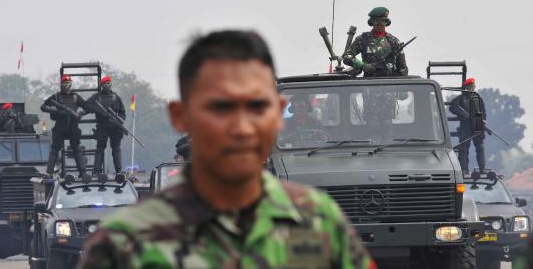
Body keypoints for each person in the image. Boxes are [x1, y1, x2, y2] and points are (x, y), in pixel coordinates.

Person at [79, 30, 375, 269]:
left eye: (257, 107)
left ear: (278, 112)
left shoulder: (320, 221)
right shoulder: (125, 244)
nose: (242, 127)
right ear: (180, 115)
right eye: (221, 108)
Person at [41, 75, 88, 177]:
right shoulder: (56, 97)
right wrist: (55, 110)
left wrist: (80, 114)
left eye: (68, 84)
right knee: (55, 148)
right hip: (60, 126)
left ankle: (83, 172)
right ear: (61, 84)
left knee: (76, 148)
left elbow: (87, 107)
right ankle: (49, 172)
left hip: (73, 126)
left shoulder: (76, 97)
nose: (67, 86)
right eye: (65, 84)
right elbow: (43, 107)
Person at [343, 7, 408, 77]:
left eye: (383, 21)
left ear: (386, 22)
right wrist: (363, 65)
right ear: (372, 22)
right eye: (376, 21)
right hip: (369, 84)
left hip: (390, 84)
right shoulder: (362, 39)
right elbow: (346, 57)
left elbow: (403, 69)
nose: (379, 23)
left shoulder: (394, 41)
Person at [86, 76, 126, 175]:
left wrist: (119, 120)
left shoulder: (116, 97)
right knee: (100, 147)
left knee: (116, 147)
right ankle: (96, 171)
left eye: (109, 84)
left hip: (115, 127)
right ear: (102, 86)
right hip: (102, 126)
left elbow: (122, 112)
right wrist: (96, 109)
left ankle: (119, 170)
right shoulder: (97, 97)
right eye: (105, 84)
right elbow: (87, 105)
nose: (107, 86)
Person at [449, 78, 486, 173]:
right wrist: (463, 114)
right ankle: (464, 169)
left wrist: (483, 121)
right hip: (465, 127)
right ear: (466, 87)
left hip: (477, 126)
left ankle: (482, 168)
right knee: (464, 149)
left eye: (473, 87)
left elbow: (483, 112)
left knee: (480, 147)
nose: (472, 89)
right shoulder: (460, 99)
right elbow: (452, 107)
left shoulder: (478, 98)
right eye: (470, 87)